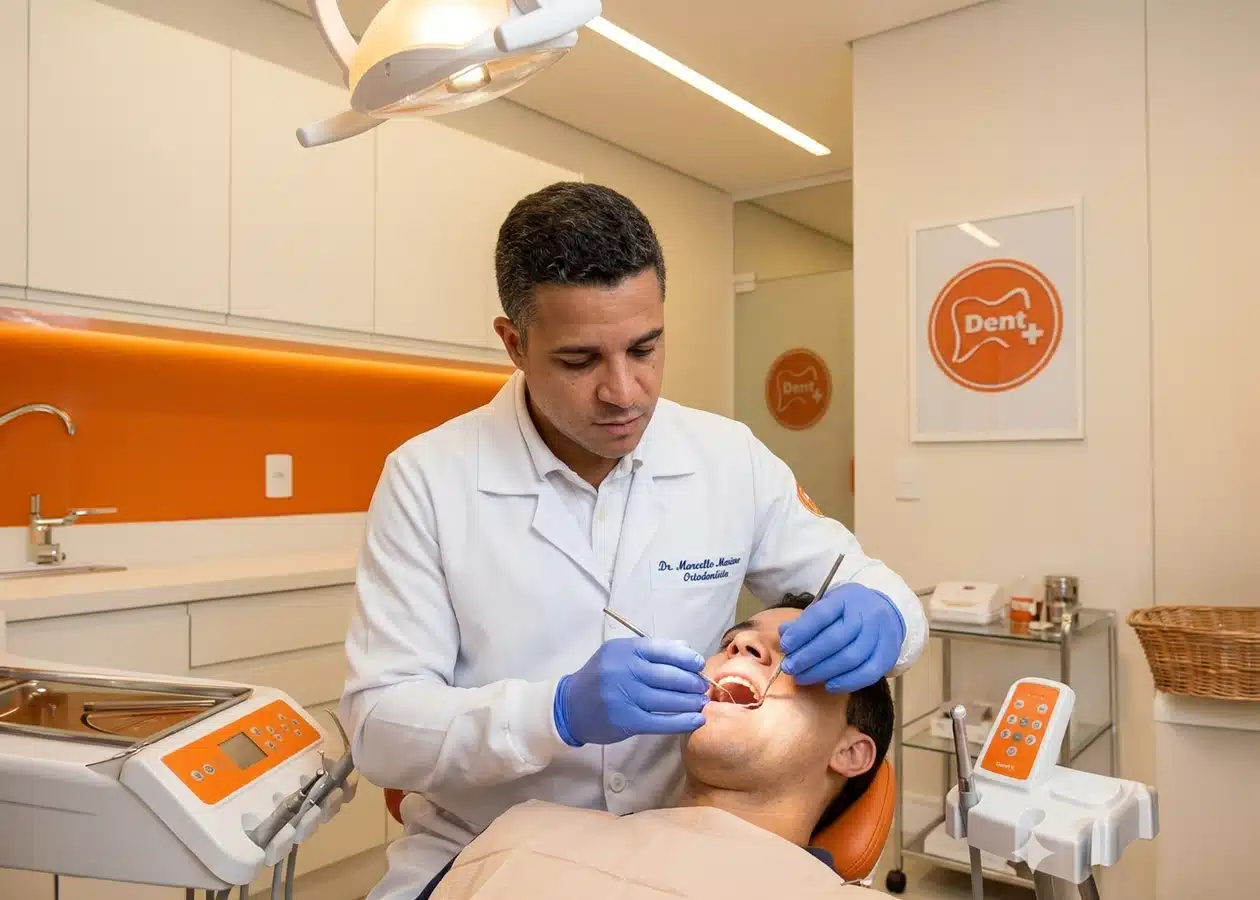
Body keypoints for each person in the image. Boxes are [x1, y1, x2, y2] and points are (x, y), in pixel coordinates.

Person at [341, 181, 927, 900]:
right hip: (480, 851)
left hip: (680, 850)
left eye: (645, 348)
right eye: (581, 361)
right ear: (515, 343)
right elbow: (378, 728)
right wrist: (554, 712)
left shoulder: (726, 457)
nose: (626, 392)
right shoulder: (429, 482)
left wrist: (887, 614)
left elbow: (868, 582)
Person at [409, 592, 895, 898]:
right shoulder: (523, 828)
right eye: (733, 640)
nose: (741, 648)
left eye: (797, 654)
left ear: (851, 753)